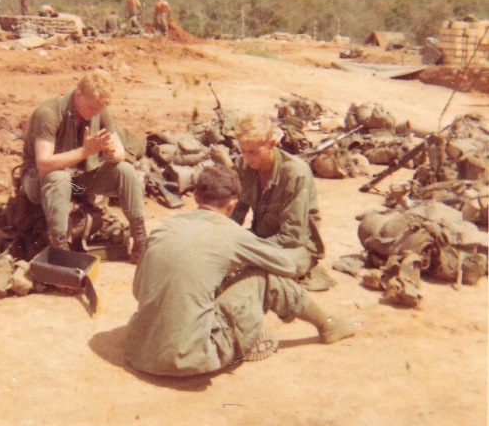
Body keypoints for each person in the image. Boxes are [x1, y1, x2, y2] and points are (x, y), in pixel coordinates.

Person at [125, 164, 356, 377]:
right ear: (232, 204)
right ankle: (328, 324)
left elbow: (138, 291)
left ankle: (232, 335)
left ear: (195, 196)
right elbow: (286, 266)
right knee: (265, 277)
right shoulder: (233, 234)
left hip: (138, 350)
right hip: (189, 358)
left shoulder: (165, 228)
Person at [21, 69, 147, 262]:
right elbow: (44, 165)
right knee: (59, 177)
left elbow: (120, 153)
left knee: (125, 170)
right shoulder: (49, 113)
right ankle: (60, 248)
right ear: (78, 95)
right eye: (92, 108)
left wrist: (110, 151)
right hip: (40, 181)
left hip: (77, 178)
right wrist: (85, 151)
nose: (95, 113)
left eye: (100, 109)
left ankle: (140, 240)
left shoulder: (98, 109)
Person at [231, 113, 325, 279]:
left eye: (253, 152)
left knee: (277, 267)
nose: (247, 158)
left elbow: (292, 236)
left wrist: (247, 249)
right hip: (261, 239)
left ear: (271, 145)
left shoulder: (295, 173)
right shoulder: (243, 165)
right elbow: (234, 216)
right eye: (243, 151)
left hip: (295, 247)